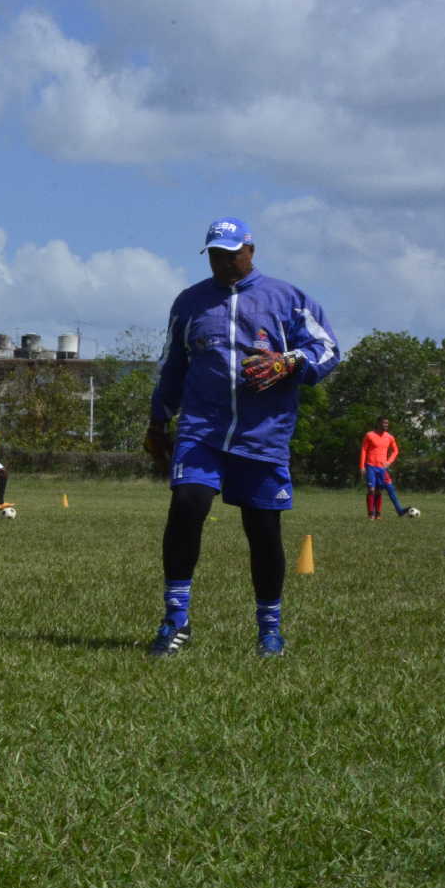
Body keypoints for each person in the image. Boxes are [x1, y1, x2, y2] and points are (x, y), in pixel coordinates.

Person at [144, 216, 340, 657]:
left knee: (263, 529)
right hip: (202, 428)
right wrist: (158, 420)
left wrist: (287, 362)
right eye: (215, 253)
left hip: (263, 433)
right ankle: (176, 620)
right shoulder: (190, 303)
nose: (224, 261)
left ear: (250, 250)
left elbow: (327, 350)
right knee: (187, 504)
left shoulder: (287, 298)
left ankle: (269, 629)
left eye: (231, 252)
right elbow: (172, 365)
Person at [359, 416, 415, 519]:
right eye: (384, 423)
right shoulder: (369, 435)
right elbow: (364, 450)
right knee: (372, 490)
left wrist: (388, 462)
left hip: (382, 469)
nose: (386, 425)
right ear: (378, 423)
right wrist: (362, 466)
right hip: (371, 466)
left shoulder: (389, 437)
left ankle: (398, 511)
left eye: (387, 424)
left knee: (388, 489)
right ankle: (371, 514)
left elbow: (395, 451)